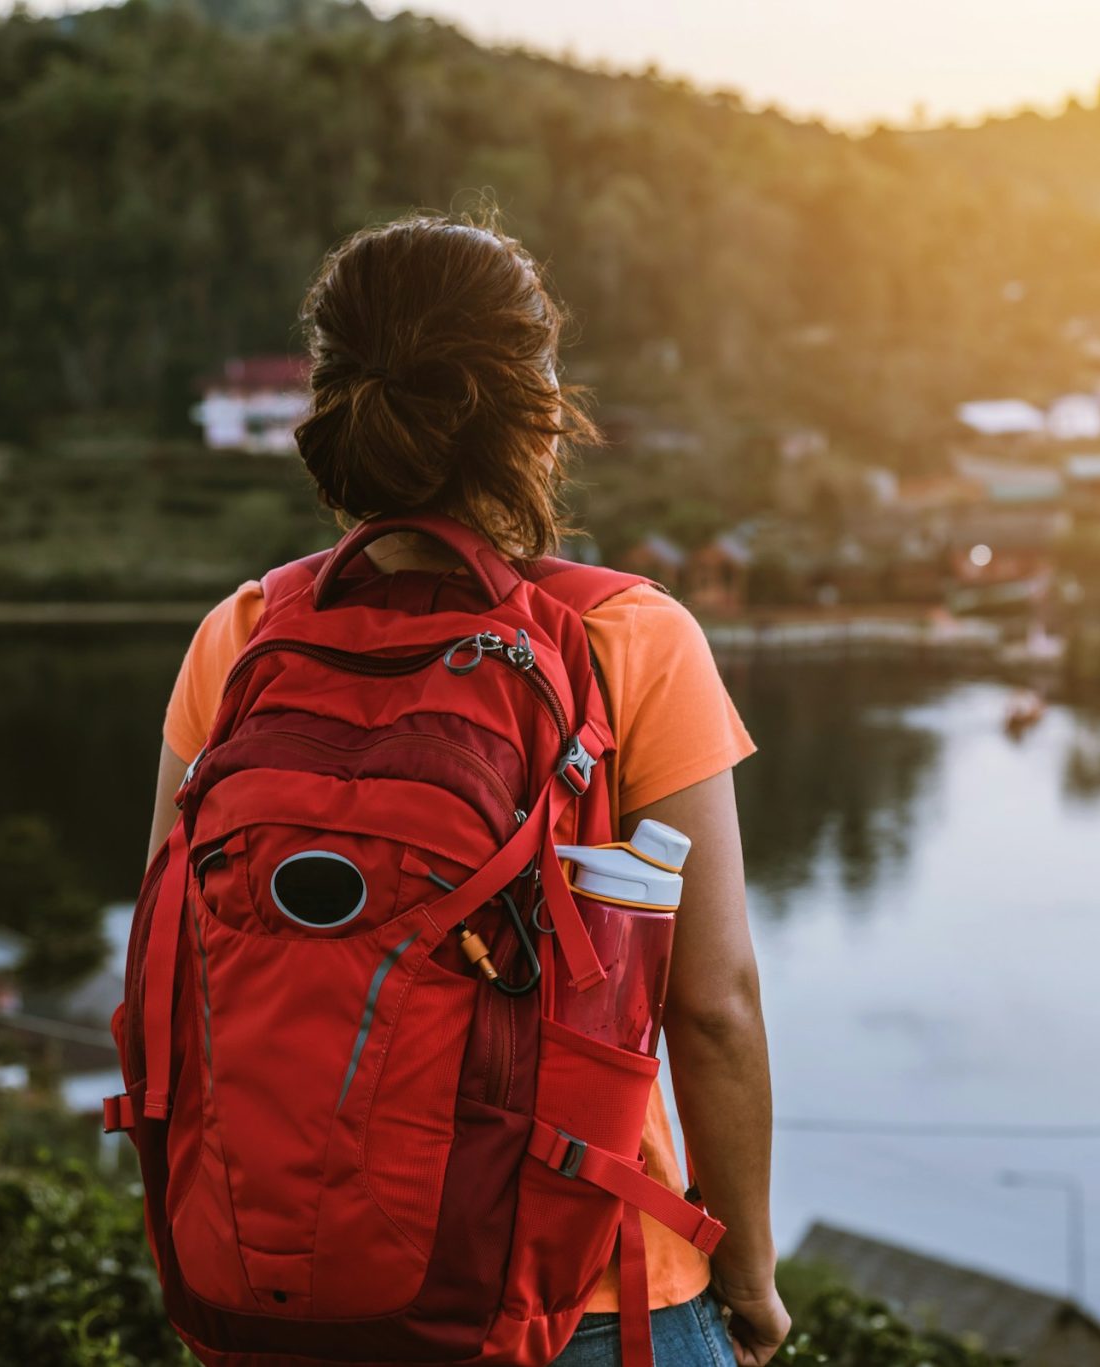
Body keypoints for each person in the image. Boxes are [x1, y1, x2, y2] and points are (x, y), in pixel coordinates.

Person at [143, 213, 788, 1367]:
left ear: (334, 400)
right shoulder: (626, 638)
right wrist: (744, 1272)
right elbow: (713, 1004)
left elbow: (165, 972)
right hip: (587, 1296)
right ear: (538, 412)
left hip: (291, 1293)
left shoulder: (240, 637)